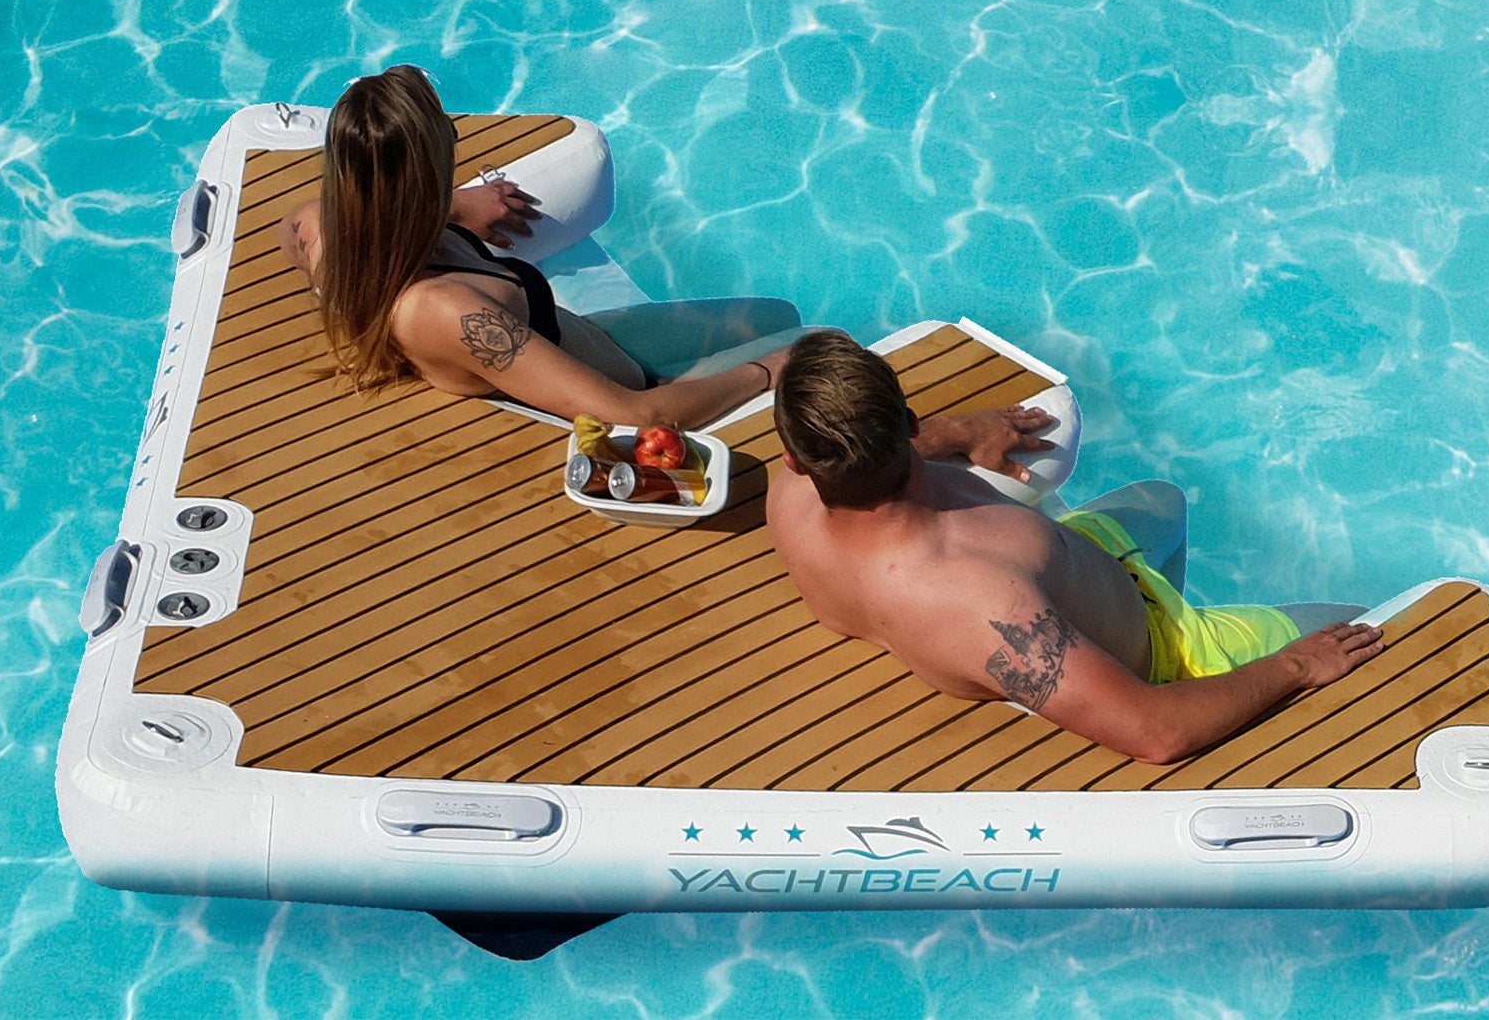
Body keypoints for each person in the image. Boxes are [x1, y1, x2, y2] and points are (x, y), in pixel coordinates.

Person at [765, 331, 1385, 765]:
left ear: (795, 454)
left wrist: (963, 429)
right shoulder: (985, 605)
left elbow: (859, 459)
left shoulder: (789, 493)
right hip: (1167, 658)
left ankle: (1152, 599)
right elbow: (1154, 732)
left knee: (1164, 499)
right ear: (907, 421)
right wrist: (1296, 666)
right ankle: (1197, 635)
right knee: (1371, 627)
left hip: (1080, 563)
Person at [277, 65, 787, 428]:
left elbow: (291, 229)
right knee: (813, 344)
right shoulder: (444, 310)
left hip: (595, 343)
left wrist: (453, 207)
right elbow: (637, 416)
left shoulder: (325, 233)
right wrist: (763, 374)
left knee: (778, 313)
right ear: (429, 169)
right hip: (639, 392)